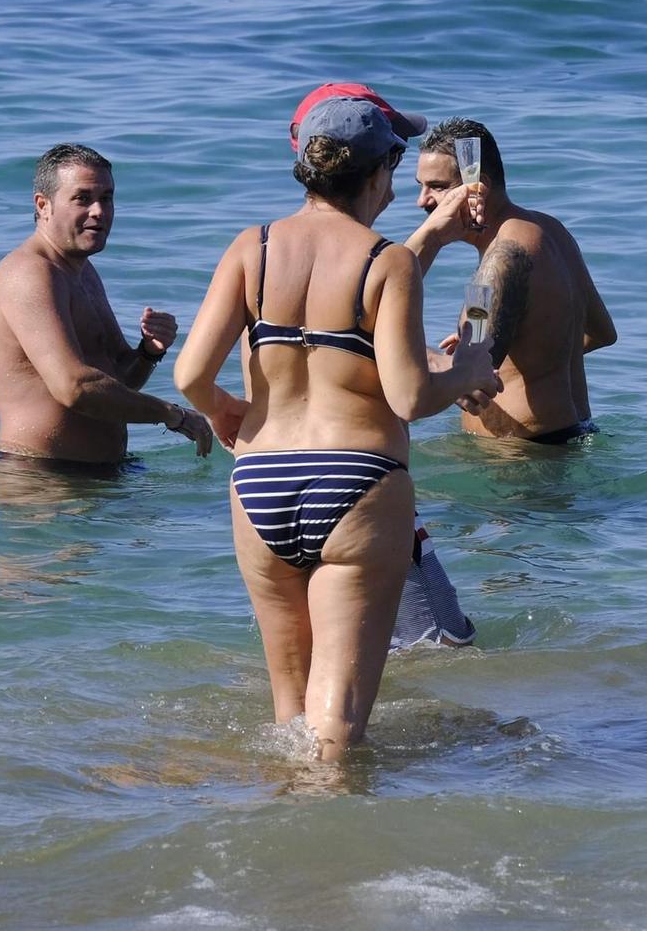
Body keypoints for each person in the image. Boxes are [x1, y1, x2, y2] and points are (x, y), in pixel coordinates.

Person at [174, 87, 499, 759]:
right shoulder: (388, 260)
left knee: (289, 719)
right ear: (377, 171)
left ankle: (278, 849)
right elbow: (408, 395)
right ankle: (339, 857)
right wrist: (469, 369)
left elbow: (188, 376)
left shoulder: (252, 246)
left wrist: (221, 408)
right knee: (339, 728)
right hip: (356, 482)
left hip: (259, 482)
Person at [0, 143, 214, 465]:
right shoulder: (29, 273)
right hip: (39, 478)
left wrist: (149, 352)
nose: (99, 211)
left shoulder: (81, 271)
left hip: (99, 475)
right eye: (82, 198)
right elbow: (74, 387)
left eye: (107, 198)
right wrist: (171, 414)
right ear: (43, 204)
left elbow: (117, 380)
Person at [407, 117, 617, 444]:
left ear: (478, 187)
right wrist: (533, 356)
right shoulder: (550, 229)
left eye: (437, 186)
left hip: (521, 458)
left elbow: (472, 380)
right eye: (420, 186)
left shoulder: (500, 257)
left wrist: (435, 359)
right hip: (570, 435)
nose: (423, 200)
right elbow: (603, 333)